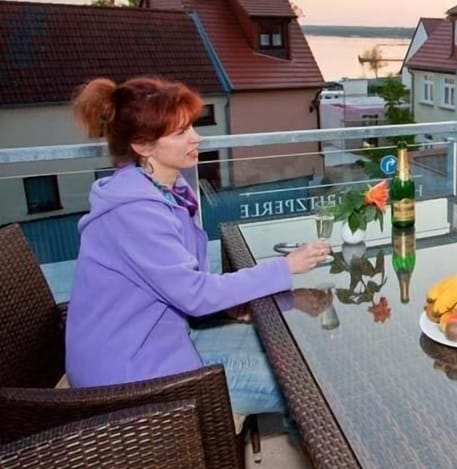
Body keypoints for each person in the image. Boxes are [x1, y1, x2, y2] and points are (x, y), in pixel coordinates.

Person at [67, 76, 331, 417]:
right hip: (130, 377)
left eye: (191, 126)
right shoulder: (135, 212)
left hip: (159, 342)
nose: (196, 137)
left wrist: (227, 304)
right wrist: (286, 267)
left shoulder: (161, 191)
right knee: (310, 390)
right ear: (143, 146)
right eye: (180, 132)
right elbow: (195, 294)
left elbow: (186, 287)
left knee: (300, 359)